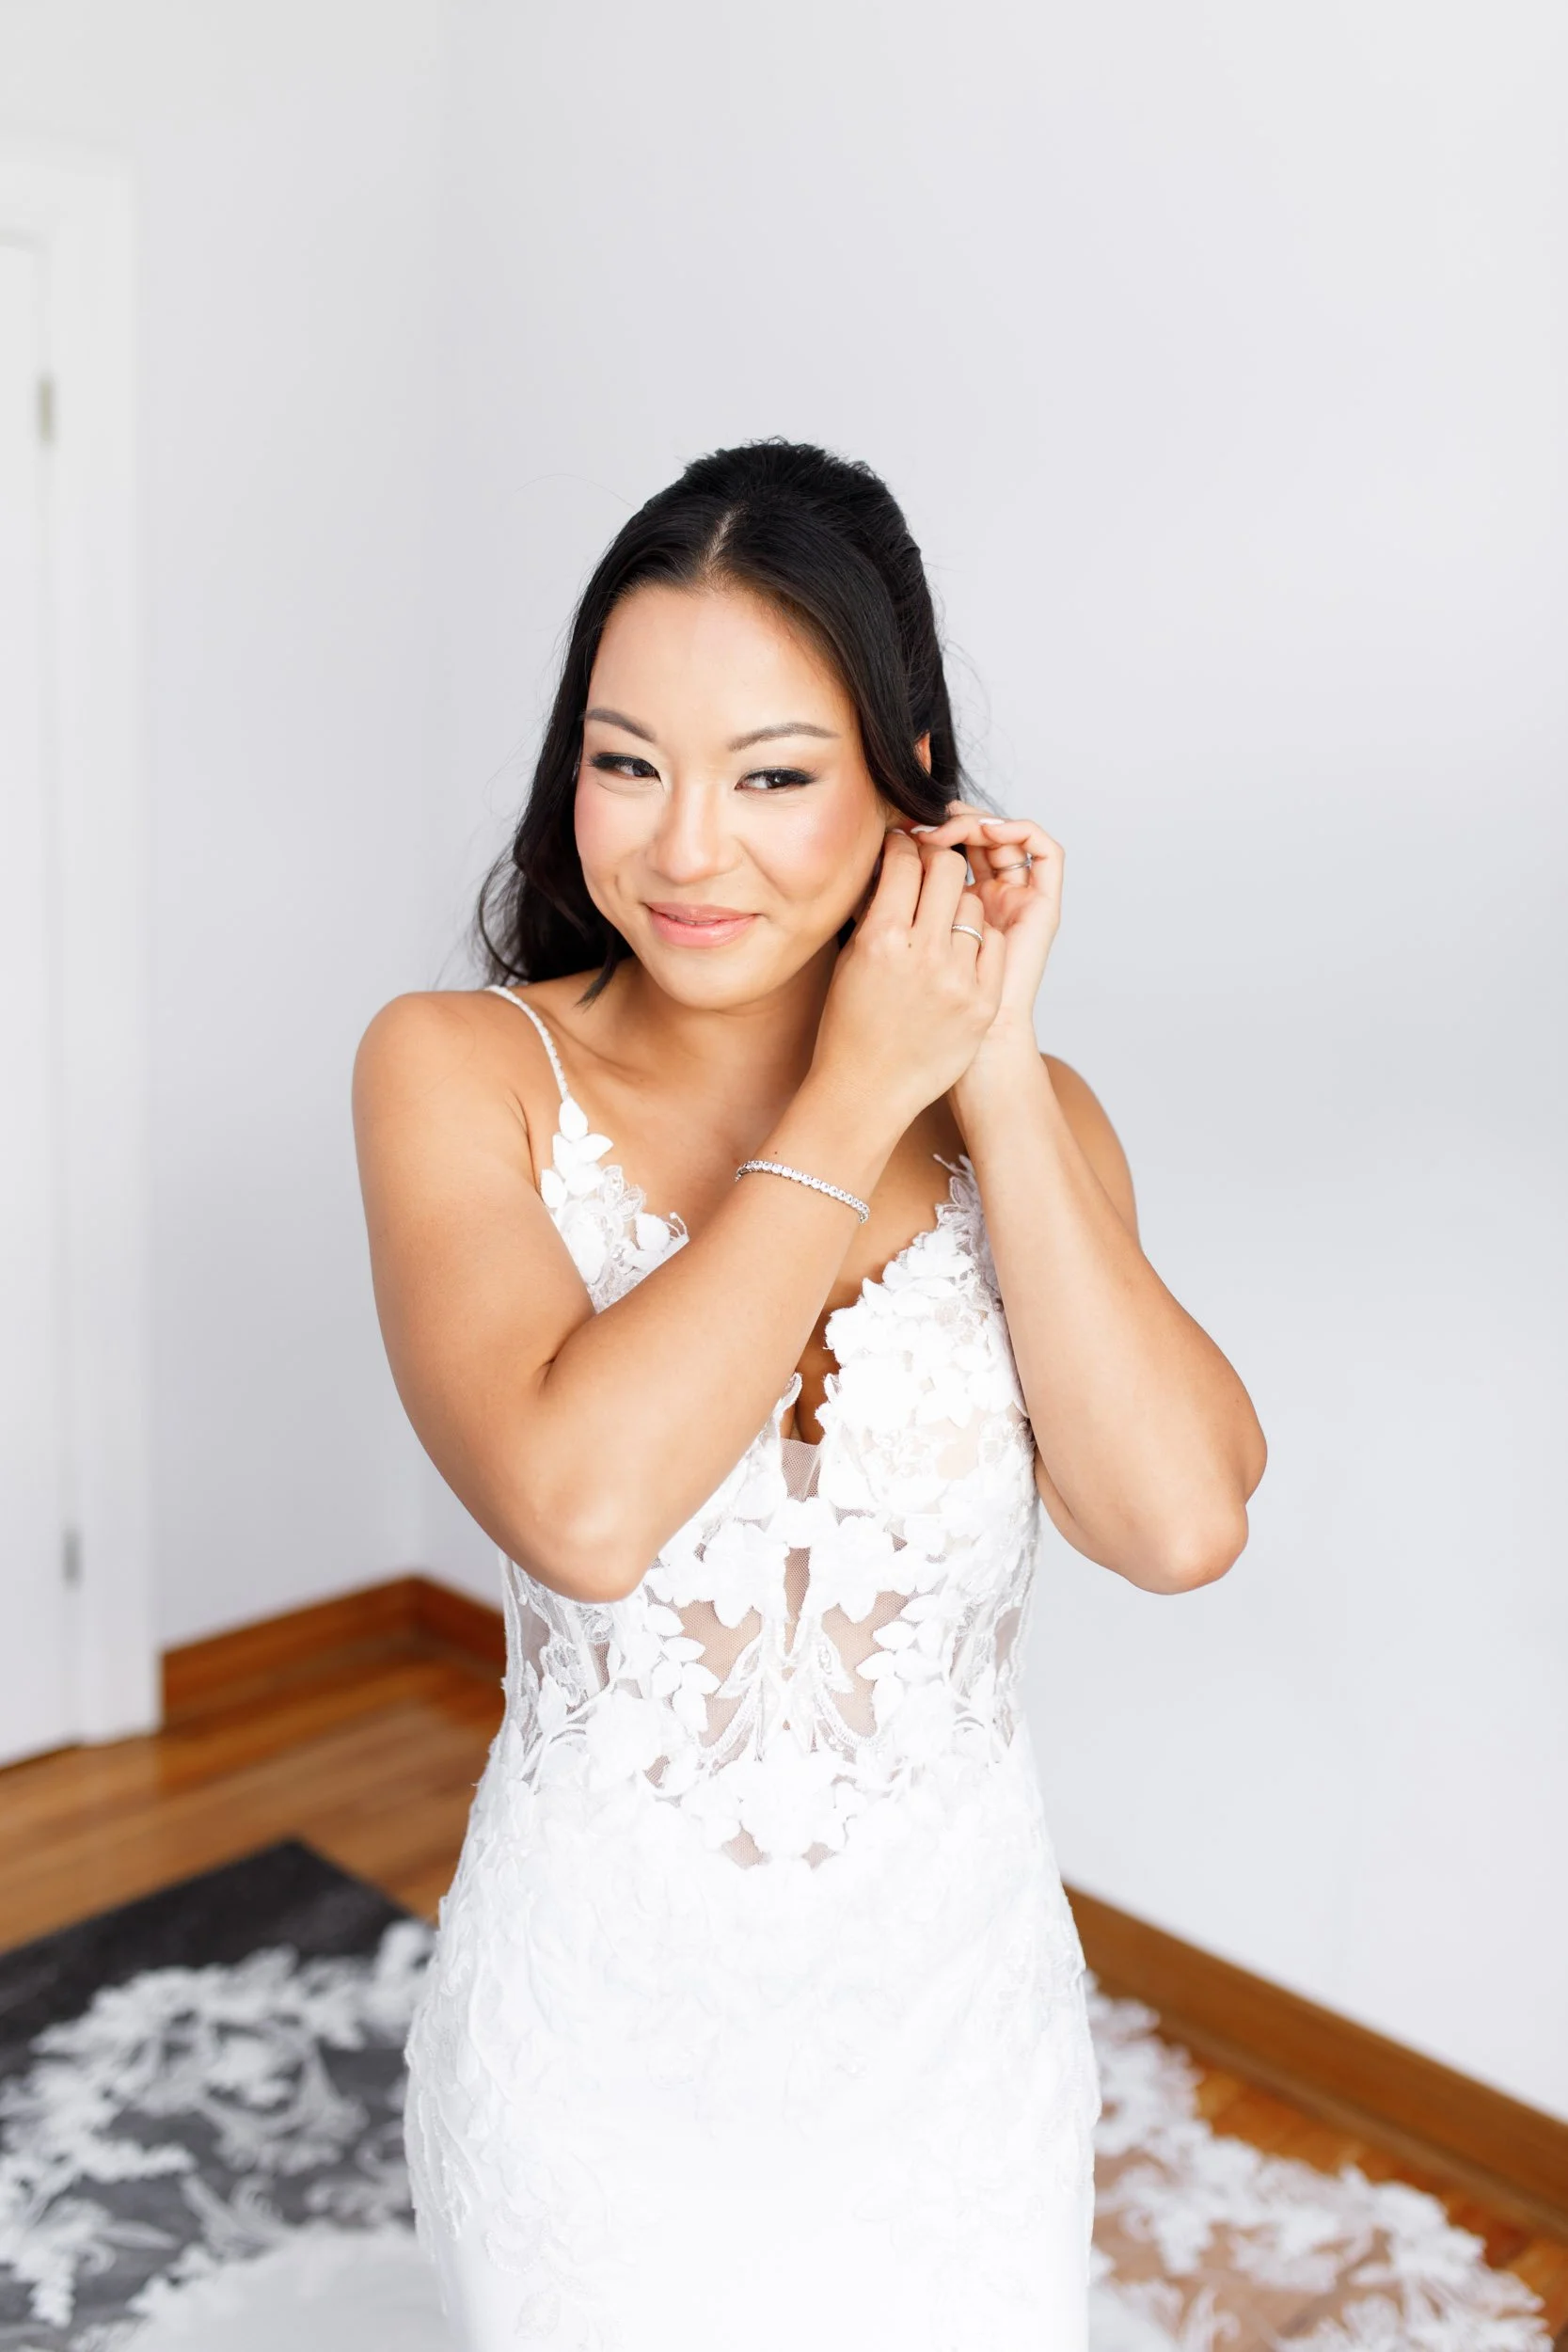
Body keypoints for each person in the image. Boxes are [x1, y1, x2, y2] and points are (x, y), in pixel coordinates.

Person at [353, 439, 1267, 2352]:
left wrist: (986, 1059)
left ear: (904, 784)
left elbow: (1178, 1520)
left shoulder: (1026, 1119)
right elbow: (581, 1511)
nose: (686, 848)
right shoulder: (456, 1068)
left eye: (771, 775)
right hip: (596, 2057)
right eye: (627, 763)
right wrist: (856, 1095)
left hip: (950, 2050)